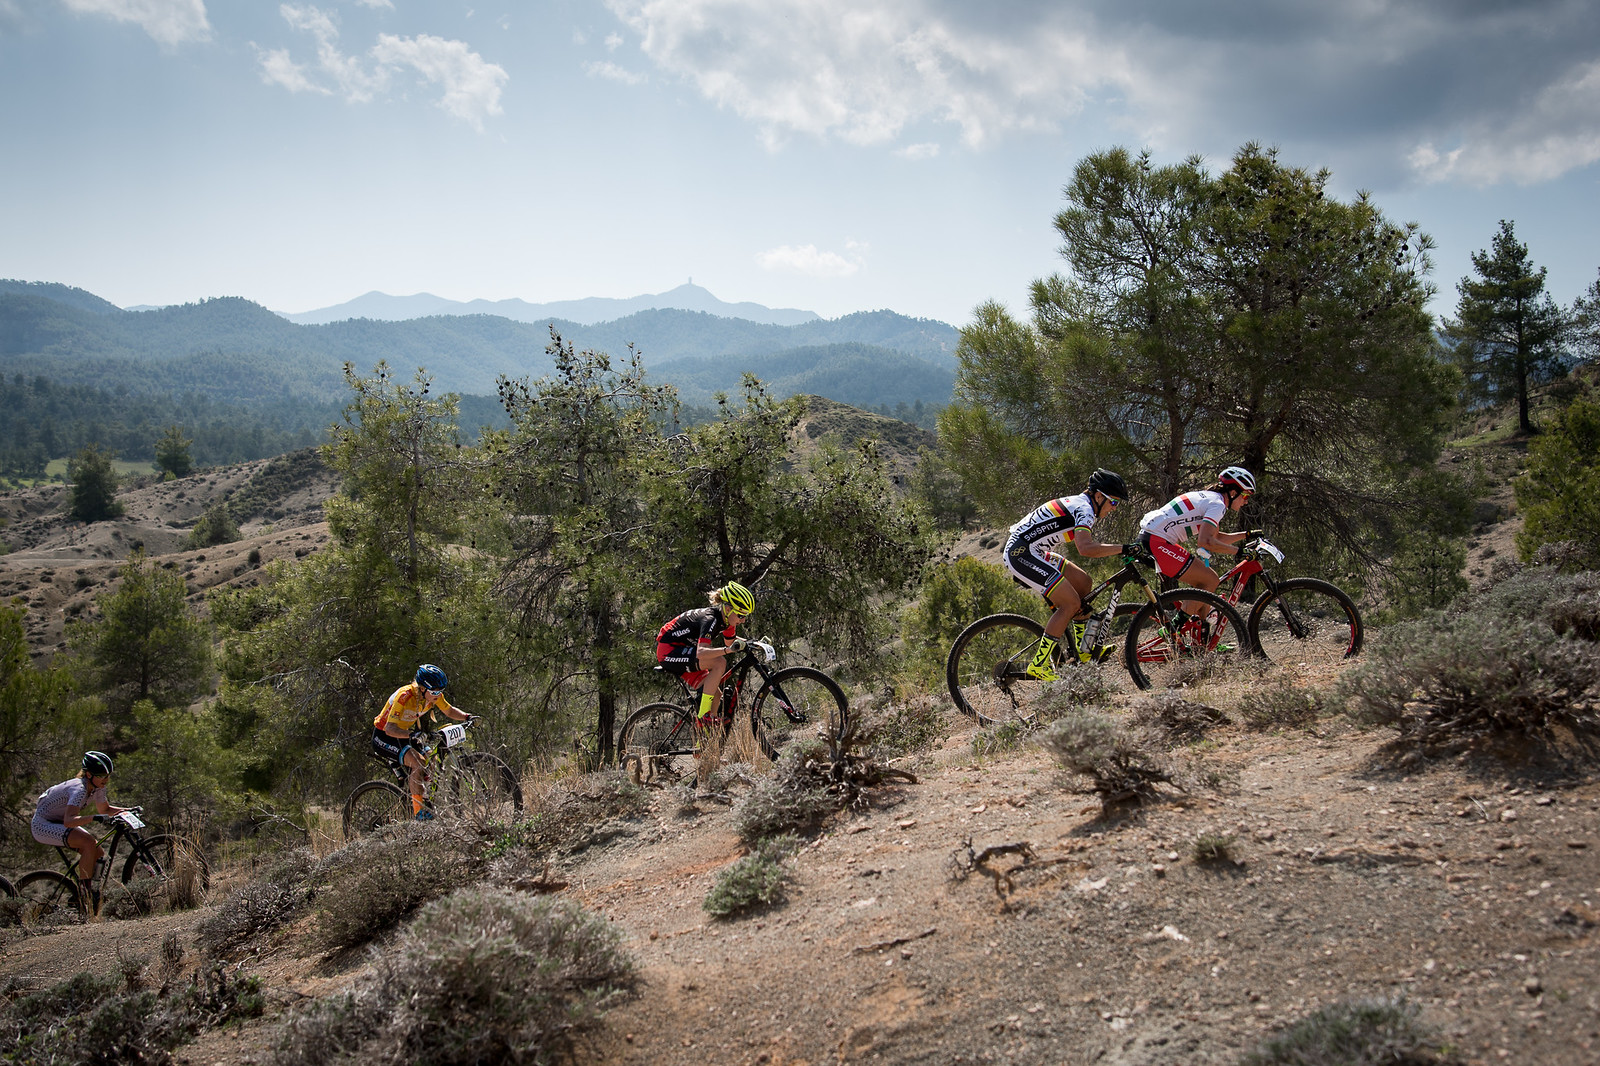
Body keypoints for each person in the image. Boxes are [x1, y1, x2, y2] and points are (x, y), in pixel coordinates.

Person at [1003, 469, 1129, 681]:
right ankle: (1039, 664)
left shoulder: (1082, 504)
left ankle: (1083, 651)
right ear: (1099, 496)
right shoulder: (1085, 509)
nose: (1113, 509)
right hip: (1021, 553)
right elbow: (1086, 548)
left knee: (1084, 582)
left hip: (1035, 552)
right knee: (1070, 603)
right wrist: (1124, 548)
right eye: (1113, 502)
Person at [655, 581, 756, 795]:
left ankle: (705, 746)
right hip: (668, 650)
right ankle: (703, 717)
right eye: (740, 615)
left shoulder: (728, 620)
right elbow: (702, 653)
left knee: (716, 693)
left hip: (684, 649)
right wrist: (728, 651)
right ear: (727, 608)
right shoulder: (710, 619)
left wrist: (753, 643)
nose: (743, 619)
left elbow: (732, 641)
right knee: (719, 663)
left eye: (746, 616)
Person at [1137, 465, 1258, 622]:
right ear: (1233, 493)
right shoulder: (1218, 505)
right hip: (1157, 542)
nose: (1245, 502)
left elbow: (1216, 537)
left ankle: (1202, 640)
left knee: (1205, 587)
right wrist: (1240, 552)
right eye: (1246, 496)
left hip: (1152, 538)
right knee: (1210, 580)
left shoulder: (1210, 498)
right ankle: (1175, 631)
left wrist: (1246, 535)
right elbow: (1206, 541)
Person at [32, 751, 135, 912]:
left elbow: (105, 809)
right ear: (88, 774)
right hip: (43, 824)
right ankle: (86, 895)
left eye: (108, 776)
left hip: (57, 820)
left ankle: (91, 891)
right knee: (88, 843)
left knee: (98, 853)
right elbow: (69, 821)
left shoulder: (97, 786)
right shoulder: (79, 789)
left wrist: (128, 810)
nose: (106, 780)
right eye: (102, 776)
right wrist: (94, 817)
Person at [373, 663, 473, 821]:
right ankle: (419, 814)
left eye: (441, 691)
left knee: (432, 760)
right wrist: (412, 734)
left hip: (406, 735)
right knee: (418, 764)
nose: (438, 694)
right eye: (435, 691)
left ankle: (421, 794)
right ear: (422, 688)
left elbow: (448, 710)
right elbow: (389, 729)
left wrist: (467, 717)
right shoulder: (404, 696)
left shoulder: (433, 695)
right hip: (385, 736)